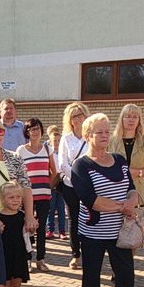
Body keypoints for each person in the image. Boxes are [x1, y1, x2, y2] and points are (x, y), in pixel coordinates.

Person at [73, 113, 144, 287]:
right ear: (87, 135)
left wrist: (132, 201)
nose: (104, 135)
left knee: (126, 276)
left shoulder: (120, 160)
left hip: (121, 232)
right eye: (98, 132)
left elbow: (132, 188)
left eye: (106, 131)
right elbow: (91, 200)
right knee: (91, 277)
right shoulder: (80, 165)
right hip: (93, 233)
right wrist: (122, 207)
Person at [16, 117, 54, 271]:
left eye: (37, 128)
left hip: (44, 195)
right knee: (27, 227)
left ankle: (40, 259)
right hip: (27, 196)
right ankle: (27, 259)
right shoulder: (21, 150)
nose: (35, 132)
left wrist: (47, 186)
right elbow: (18, 174)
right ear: (27, 132)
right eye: (32, 129)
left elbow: (54, 171)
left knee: (41, 227)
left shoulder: (47, 149)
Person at [57, 102, 90, 268]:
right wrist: (77, 179)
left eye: (80, 114)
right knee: (74, 219)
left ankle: (89, 251)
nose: (78, 119)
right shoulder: (66, 138)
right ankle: (76, 254)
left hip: (89, 186)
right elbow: (62, 163)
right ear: (69, 119)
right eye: (74, 116)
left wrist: (85, 181)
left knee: (90, 218)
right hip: (70, 185)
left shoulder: (90, 136)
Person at [113, 104, 144, 213]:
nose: (131, 120)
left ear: (139, 120)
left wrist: (138, 172)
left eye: (135, 117)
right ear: (121, 119)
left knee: (139, 228)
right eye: (128, 116)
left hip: (140, 192)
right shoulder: (112, 141)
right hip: (116, 192)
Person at [0, 182, 29, 287]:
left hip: (18, 257)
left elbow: (27, 237)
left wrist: (32, 229)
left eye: (18, 197)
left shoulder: (23, 216)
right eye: (11, 197)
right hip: (4, 258)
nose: (15, 200)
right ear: (3, 199)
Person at [46, 124, 68, 240]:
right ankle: (50, 230)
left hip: (61, 182)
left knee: (61, 208)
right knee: (51, 208)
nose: (57, 143)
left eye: (59, 140)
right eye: (55, 140)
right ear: (50, 140)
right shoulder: (48, 152)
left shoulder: (63, 152)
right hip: (51, 183)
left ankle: (62, 231)